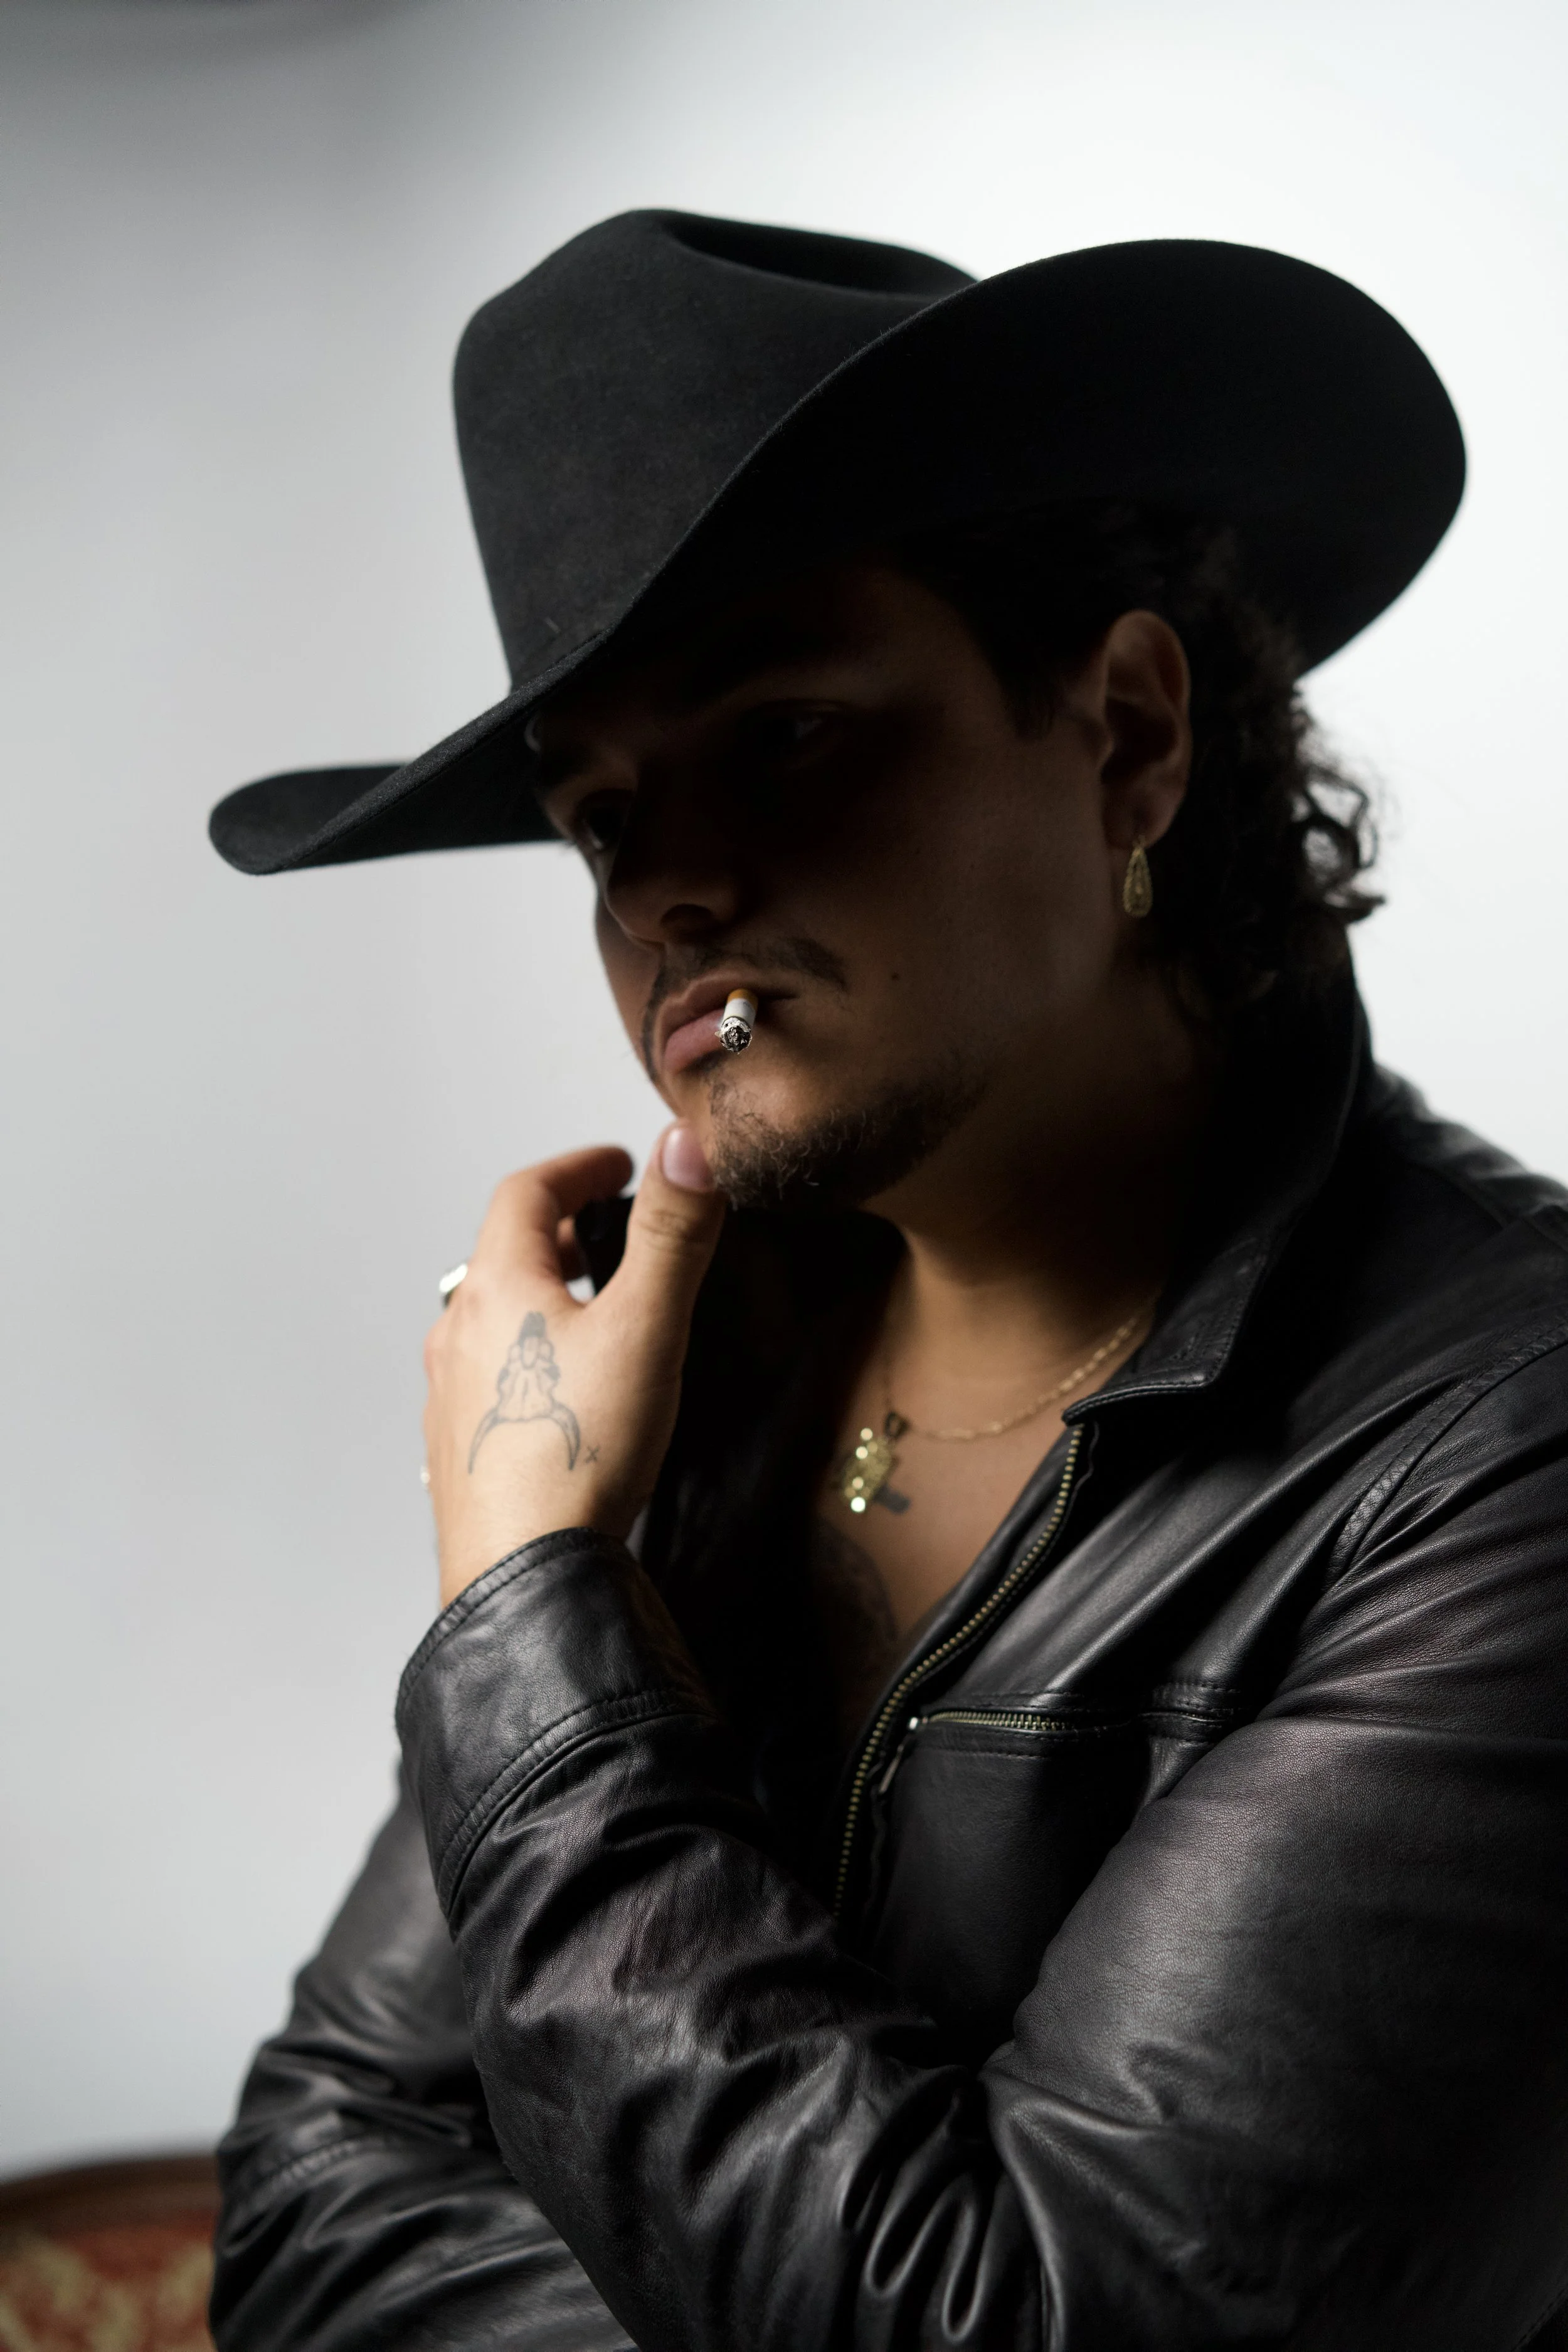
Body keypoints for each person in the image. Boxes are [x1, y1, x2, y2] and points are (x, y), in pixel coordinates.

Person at [206, 213, 1568, 2351]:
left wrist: (529, 1602)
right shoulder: (683, 1370)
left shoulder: (1502, 1442)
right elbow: (313, 2195)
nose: (671, 886)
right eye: (601, 820)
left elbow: (1035, 2321)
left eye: (785, 734)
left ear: (1127, 734)